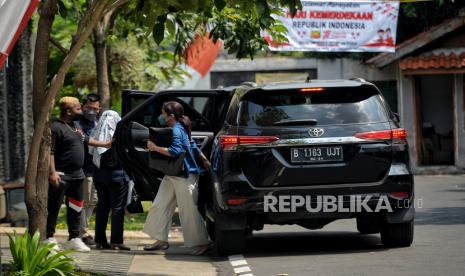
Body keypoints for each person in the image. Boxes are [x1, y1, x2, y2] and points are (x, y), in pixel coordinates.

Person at [143, 101, 212, 255]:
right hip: (173, 174)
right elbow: (191, 143)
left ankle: (202, 243)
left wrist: (154, 148)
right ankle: (161, 240)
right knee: (160, 205)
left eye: (163, 113)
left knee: (189, 211)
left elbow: (175, 151)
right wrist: (203, 158)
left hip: (184, 175)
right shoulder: (180, 127)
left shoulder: (177, 130)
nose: (162, 116)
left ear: (171, 116)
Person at [46, 97, 110, 253]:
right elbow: (50, 152)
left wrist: (106, 144)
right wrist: (52, 172)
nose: (81, 111)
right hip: (61, 174)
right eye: (77, 108)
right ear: (68, 111)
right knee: (54, 206)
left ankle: (74, 238)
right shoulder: (55, 127)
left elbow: (87, 140)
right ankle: (49, 238)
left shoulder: (75, 126)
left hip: (77, 175)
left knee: (76, 207)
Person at [90, 110, 130, 251]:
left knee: (102, 208)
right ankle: (116, 242)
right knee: (117, 209)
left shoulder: (96, 134)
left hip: (99, 176)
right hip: (117, 177)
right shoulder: (119, 135)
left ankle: (100, 241)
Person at [75, 93, 101, 246]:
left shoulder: (98, 122)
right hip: (83, 168)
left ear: (99, 109)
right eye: (88, 108)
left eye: (94, 108)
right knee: (84, 201)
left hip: (96, 168)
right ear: (82, 107)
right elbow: (86, 140)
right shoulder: (77, 123)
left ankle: (82, 230)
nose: (91, 111)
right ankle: (83, 232)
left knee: (92, 201)